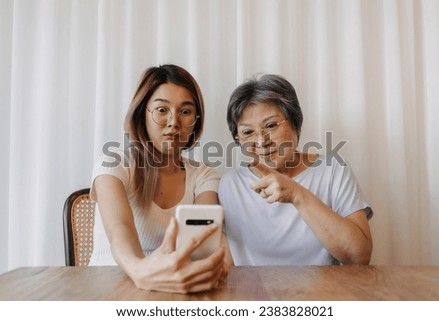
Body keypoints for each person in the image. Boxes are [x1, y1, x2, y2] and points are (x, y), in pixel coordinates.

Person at [89, 64, 229, 293]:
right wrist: (140, 270)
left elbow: (201, 238)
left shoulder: (204, 174)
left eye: (185, 111)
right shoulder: (113, 163)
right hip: (109, 287)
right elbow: (119, 228)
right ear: (142, 113)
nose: (174, 122)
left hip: (174, 287)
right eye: (162, 110)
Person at [219, 74, 373, 266]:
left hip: (321, 293)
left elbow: (359, 256)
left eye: (271, 125)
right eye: (248, 132)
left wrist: (297, 194)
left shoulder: (333, 170)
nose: (261, 141)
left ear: (295, 123)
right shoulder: (229, 184)